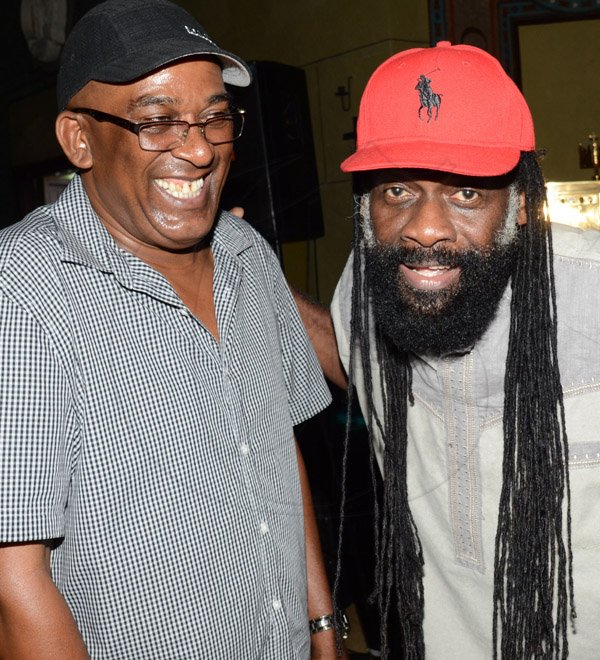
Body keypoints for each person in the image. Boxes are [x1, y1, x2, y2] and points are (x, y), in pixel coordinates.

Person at [0, 1, 344, 657]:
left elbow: (276, 450)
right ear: (79, 139)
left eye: (215, 118)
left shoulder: (248, 253)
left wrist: (322, 625)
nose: (198, 149)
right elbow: (15, 581)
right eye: (157, 122)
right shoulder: (22, 288)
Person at [295, 42, 600, 658]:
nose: (425, 226)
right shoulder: (371, 284)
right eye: (398, 191)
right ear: (364, 205)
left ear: (518, 202)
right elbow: (347, 359)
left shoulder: (591, 291)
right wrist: (228, 264)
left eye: (466, 193)